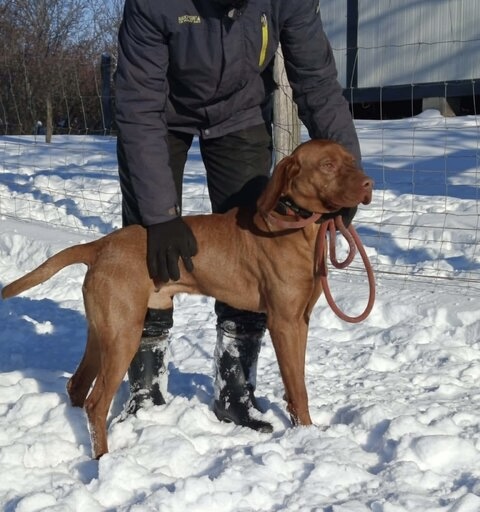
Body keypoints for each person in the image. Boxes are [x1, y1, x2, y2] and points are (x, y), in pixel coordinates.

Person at [114, 0, 362, 433]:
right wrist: (160, 215)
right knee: (149, 245)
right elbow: (138, 104)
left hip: (240, 113)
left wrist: (348, 180)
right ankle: (145, 388)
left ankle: (236, 388)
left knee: (254, 246)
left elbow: (318, 83)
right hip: (160, 115)